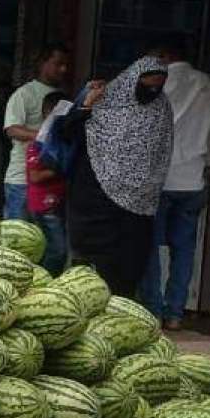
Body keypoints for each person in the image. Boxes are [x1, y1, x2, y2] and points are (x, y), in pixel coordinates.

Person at [65, 57, 173, 297]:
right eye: (148, 85)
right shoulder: (106, 98)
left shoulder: (161, 108)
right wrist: (86, 105)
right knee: (90, 268)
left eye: (158, 87)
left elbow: (161, 149)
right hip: (95, 201)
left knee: (128, 267)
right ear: (134, 78)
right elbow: (68, 131)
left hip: (136, 207)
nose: (152, 92)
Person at [141, 40, 210, 329]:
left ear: (164, 55)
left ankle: (152, 309)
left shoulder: (157, 83)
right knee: (184, 248)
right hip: (193, 180)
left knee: (150, 245)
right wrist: (208, 164)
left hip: (160, 179)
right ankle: (175, 312)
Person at [4, 44, 72, 219]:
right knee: (19, 238)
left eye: (66, 65)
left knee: (47, 239)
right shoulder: (24, 94)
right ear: (43, 63)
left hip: (49, 180)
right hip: (22, 180)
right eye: (58, 64)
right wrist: (45, 137)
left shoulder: (63, 96)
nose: (63, 69)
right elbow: (12, 129)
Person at [25, 91, 71, 275]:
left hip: (56, 204)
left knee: (54, 248)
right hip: (45, 206)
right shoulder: (40, 144)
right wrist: (60, 168)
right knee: (57, 250)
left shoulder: (60, 142)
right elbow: (35, 176)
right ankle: (45, 279)